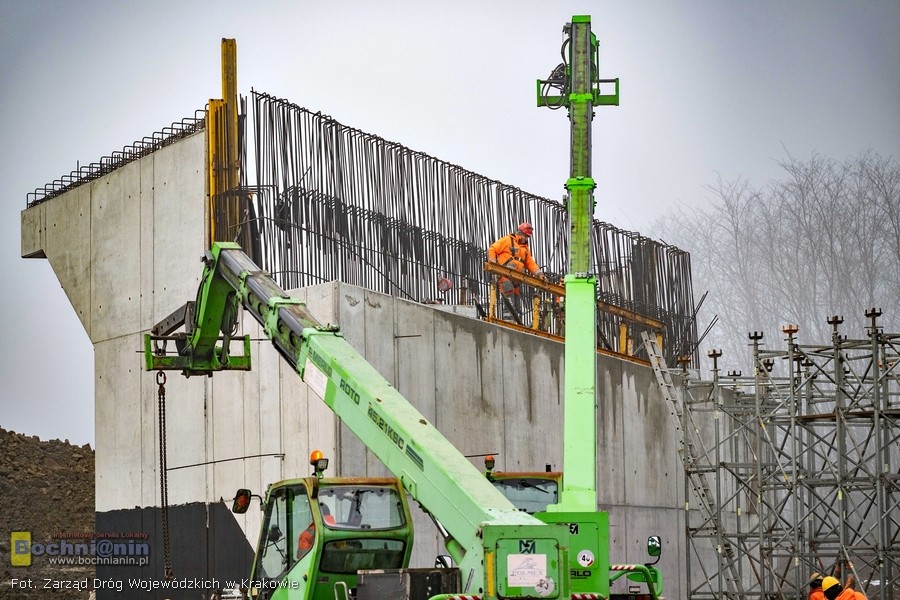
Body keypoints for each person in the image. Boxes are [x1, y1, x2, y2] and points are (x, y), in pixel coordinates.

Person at [488, 222, 546, 298]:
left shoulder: (525, 249)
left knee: (517, 304)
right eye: (525, 236)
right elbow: (492, 249)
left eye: (527, 237)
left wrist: (539, 274)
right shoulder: (507, 240)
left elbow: (530, 263)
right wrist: (493, 264)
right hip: (505, 276)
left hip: (516, 279)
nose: (526, 238)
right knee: (509, 298)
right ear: (520, 233)